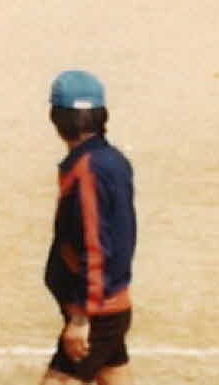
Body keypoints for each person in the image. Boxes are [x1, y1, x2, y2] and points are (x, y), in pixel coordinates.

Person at [41, 69, 136, 384]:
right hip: (110, 302)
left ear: (56, 119)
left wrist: (82, 317)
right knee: (113, 374)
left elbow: (95, 245)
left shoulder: (87, 172)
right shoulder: (110, 160)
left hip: (97, 308)